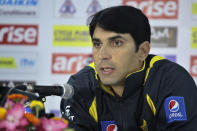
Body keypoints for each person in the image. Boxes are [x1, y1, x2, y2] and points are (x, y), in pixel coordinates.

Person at [60, 5, 197, 131]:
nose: (102, 55)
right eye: (97, 44)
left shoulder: (170, 81)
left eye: (117, 43)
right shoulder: (80, 87)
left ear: (143, 51)